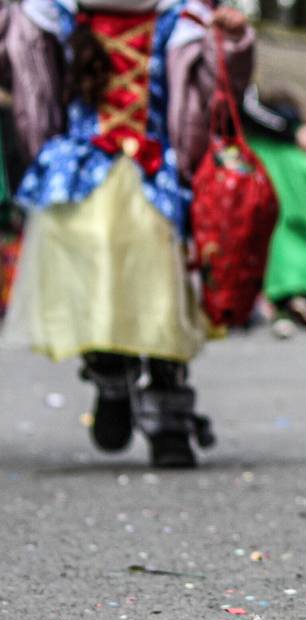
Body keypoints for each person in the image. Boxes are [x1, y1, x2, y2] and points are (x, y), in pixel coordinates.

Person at [0, 0, 254, 467]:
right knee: (81, 253)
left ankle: (169, 408)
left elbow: (220, 88)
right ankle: (110, 375)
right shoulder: (50, 14)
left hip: (157, 169)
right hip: (81, 168)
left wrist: (232, 43)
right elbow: (20, 69)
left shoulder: (182, 18)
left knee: (159, 280)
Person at [244, 87, 306, 337]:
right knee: (298, 251)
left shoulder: (264, 140)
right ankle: (294, 301)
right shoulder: (301, 147)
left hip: (277, 197)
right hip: (300, 201)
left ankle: (280, 309)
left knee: (277, 253)